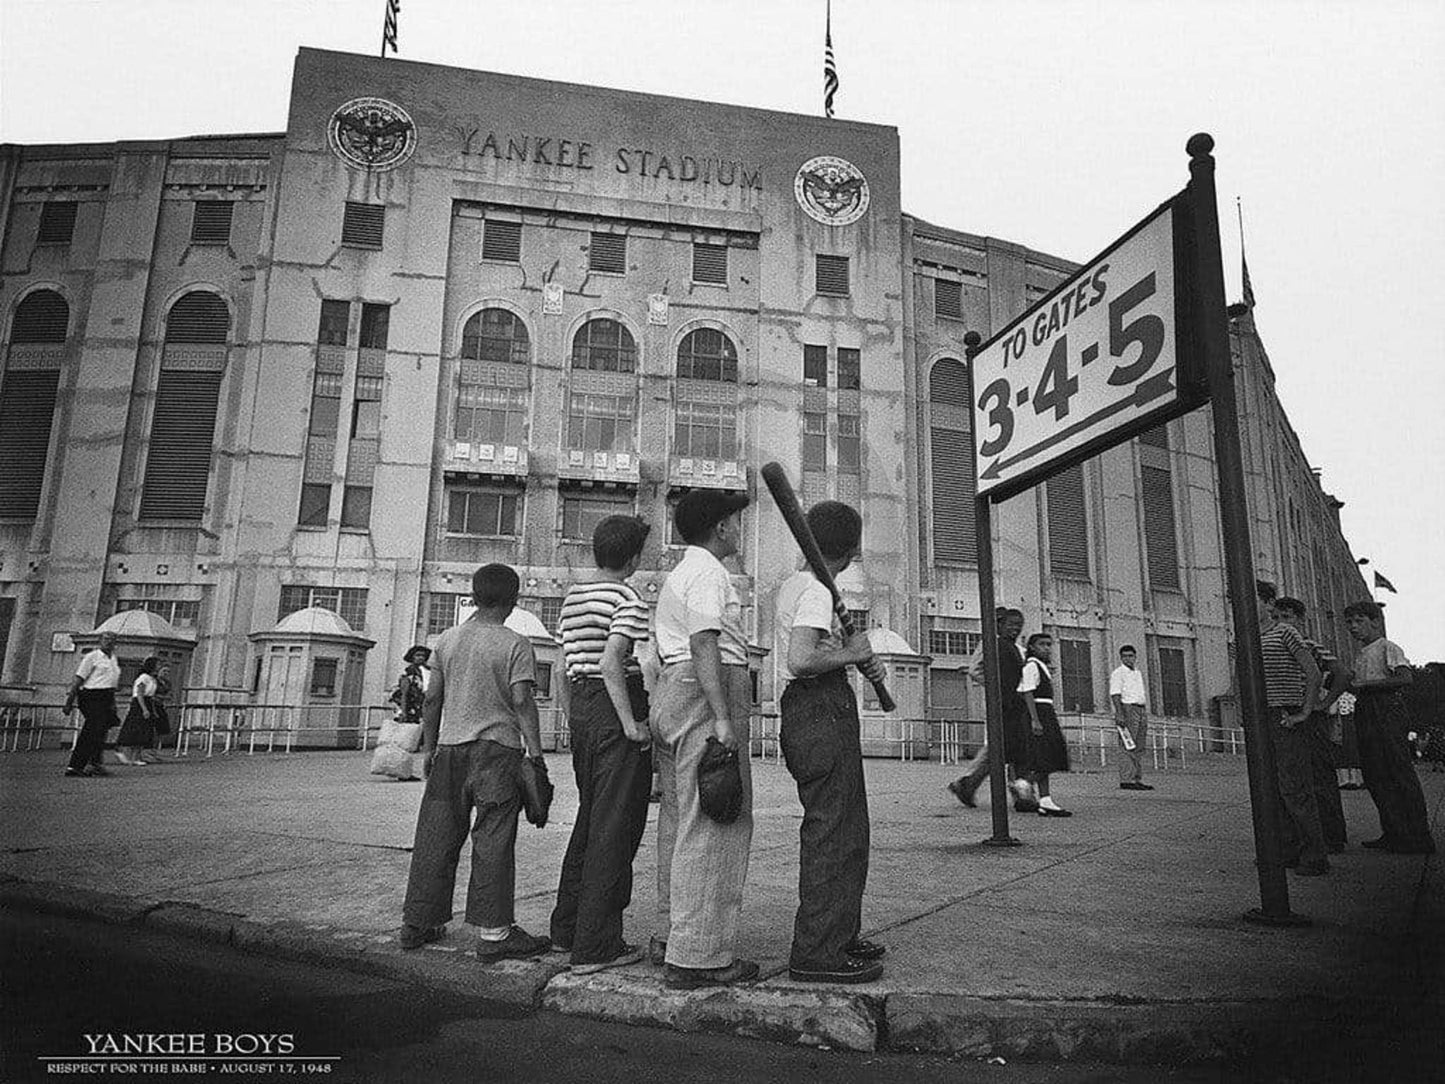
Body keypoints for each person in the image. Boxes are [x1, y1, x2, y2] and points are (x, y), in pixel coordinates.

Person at [398, 563, 552, 959]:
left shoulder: (448, 640)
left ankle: (419, 921)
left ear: (475, 595)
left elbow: (433, 699)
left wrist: (429, 749)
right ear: (514, 599)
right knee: (493, 838)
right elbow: (521, 701)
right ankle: (495, 934)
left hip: (450, 750)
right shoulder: (516, 644)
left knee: (436, 835)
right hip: (497, 753)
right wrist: (535, 755)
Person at [775, 501, 888, 984]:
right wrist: (850, 653)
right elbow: (801, 659)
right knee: (834, 833)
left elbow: (813, 653)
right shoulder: (819, 590)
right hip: (819, 708)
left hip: (811, 709)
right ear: (852, 548)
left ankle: (838, 934)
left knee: (845, 829)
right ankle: (819, 951)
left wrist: (852, 656)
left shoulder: (795, 585)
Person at [651, 489, 758, 990]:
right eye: (735, 522)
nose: (738, 530)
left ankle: (672, 935)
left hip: (674, 687)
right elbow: (703, 641)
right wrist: (721, 716)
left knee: (678, 816)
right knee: (716, 817)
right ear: (719, 528)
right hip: (705, 688)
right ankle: (699, 957)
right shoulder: (710, 573)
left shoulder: (679, 573)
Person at [548, 515, 654, 975]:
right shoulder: (627, 596)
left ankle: (566, 930)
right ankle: (597, 945)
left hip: (585, 709)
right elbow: (614, 661)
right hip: (616, 706)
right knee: (616, 827)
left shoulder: (573, 597)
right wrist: (631, 724)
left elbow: (558, 667)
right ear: (632, 558)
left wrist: (576, 717)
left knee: (590, 819)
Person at [1344, 600, 1435, 855]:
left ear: (1375, 621)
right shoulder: (1361, 653)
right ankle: (1393, 831)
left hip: (1386, 709)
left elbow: (1405, 677)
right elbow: (1355, 683)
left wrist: (1367, 686)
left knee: (1397, 770)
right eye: (1349, 622)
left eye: (1359, 621)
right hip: (1365, 710)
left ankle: (1418, 836)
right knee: (1375, 774)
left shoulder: (1387, 647)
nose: (1353, 627)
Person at [1257, 583, 1328, 875]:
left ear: (1269, 603)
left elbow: (1312, 672)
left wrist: (1306, 711)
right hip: (1262, 716)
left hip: (1286, 712)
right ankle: (1286, 849)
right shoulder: (1244, 636)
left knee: (1294, 787)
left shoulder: (1286, 632)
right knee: (1270, 787)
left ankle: (1314, 854)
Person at [1270, 598, 1351, 851]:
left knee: (1318, 776)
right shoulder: (1277, 641)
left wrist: (1323, 702)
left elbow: (1343, 674)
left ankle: (1332, 837)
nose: (1282, 622)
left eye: (1287, 617)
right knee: (1294, 779)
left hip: (1309, 716)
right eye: (1278, 617)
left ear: (1300, 619)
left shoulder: (1308, 645)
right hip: (1292, 711)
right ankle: (1302, 838)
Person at [946, 608, 1031, 810]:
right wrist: (996, 687)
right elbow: (975, 670)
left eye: (1018, 625)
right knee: (1001, 746)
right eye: (1009, 624)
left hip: (1014, 702)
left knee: (1004, 747)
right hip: (1002, 703)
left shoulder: (1014, 647)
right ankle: (1018, 793)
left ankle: (970, 785)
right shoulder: (991, 643)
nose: (1014, 628)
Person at [1018, 633, 1072, 817]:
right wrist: (1035, 719)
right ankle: (1025, 783)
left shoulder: (1042, 666)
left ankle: (1045, 799)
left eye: (1049, 644)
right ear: (1032, 647)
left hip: (1046, 711)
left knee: (1046, 757)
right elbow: (1027, 692)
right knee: (1053, 755)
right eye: (1042, 644)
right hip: (1039, 712)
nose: (1047, 648)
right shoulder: (1032, 666)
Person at [62, 631, 121, 777]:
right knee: (91, 730)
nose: (109, 642)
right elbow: (78, 680)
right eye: (106, 639)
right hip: (92, 695)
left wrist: (112, 703)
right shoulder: (92, 657)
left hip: (106, 697)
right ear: (100, 641)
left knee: (101, 731)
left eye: (112, 640)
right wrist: (69, 702)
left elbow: (111, 683)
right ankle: (75, 766)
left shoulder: (113, 659)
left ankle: (95, 764)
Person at [374, 646, 431, 781]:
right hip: (411, 710)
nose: (420, 658)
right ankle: (401, 770)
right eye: (417, 655)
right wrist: (404, 711)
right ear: (412, 657)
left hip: (420, 709)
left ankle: (405, 770)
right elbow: (405, 693)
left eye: (422, 656)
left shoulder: (425, 672)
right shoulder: (408, 674)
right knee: (406, 742)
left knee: (412, 742)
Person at [1109, 645, 1153, 792]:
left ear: (1135, 657)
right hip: (1128, 708)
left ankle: (1136, 778)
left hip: (1140, 708)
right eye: (1125, 656)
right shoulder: (1118, 673)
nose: (1128, 658)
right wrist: (1119, 713)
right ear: (1121, 658)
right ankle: (1126, 779)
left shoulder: (1138, 673)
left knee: (1139, 745)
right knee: (1127, 744)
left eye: (1130, 656)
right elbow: (1115, 693)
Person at [115, 656, 160, 766]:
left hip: (148, 701)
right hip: (140, 704)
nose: (159, 667)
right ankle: (128, 754)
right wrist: (144, 709)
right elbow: (139, 694)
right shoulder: (143, 678)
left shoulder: (152, 678)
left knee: (144, 730)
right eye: (157, 665)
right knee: (136, 729)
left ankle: (137, 756)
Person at [145, 661, 173, 762]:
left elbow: (170, 695)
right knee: (151, 728)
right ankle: (147, 751)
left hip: (161, 706)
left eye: (168, 672)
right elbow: (151, 694)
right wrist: (161, 697)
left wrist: (163, 698)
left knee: (162, 728)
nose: (166, 673)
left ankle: (155, 750)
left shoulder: (167, 683)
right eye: (164, 671)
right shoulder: (153, 681)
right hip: (153, 705)